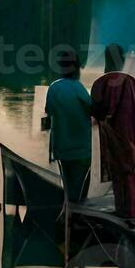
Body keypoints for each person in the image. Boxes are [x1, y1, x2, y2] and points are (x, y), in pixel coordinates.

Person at [91, 44, 135, 220]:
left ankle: (126, 210)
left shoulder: (101, 83)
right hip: (132, 133)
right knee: (132, 168)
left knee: (119, 171)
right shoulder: (131, 81)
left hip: (114, 134)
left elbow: (97, 110)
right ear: (122, 60)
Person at [44, 48, 93, 203]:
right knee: (78, 192)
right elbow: (92, 111)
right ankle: (75, 219)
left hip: (62, 148)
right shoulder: (79, 89)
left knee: (67, 187)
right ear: (77, 68)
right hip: (82, 149)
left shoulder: (54, 88)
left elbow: (48, 112)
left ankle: (68, 217)